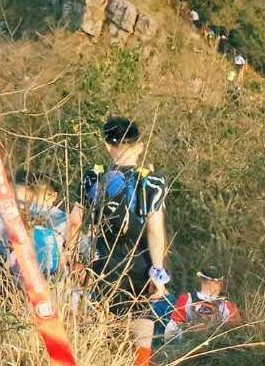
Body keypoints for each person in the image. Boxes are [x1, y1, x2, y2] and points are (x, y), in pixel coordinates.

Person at [69, 117, 172, 366]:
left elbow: (74, 221)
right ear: (140, 146)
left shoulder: (93, 178)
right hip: (139, 265)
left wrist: (72, 258)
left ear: (108, 146)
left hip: (101, 265)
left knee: (101, 327)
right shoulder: (151, 182)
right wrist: (157, 272)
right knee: (142, 326)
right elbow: (155, 230)